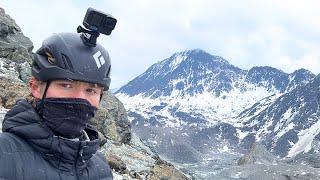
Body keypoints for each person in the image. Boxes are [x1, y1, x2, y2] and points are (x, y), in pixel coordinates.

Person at [0, 32, 113, 179]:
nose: (79, 98)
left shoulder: (101, 168)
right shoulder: (4, 155)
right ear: (35, 87)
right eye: (66, 85)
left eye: (91, 90)